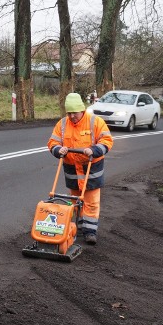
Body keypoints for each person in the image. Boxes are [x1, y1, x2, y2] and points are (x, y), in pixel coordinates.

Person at [47, 93, 114, 245]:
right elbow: (52, 142)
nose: (71, 116)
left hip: (91, 168)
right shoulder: (62, 124)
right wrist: (58, 150)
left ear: (82, 110)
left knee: (91, 201)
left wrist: (94, 150)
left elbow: (107, 141)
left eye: (74, 113)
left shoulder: (95, 122)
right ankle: (77, 226)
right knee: (75, 201)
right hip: (72, 170)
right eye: (68, 113)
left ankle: (90, 231)